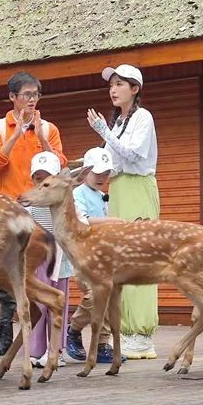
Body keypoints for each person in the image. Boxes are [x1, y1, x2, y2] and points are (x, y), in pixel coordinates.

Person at [0, 71, 66, 356]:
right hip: (8, 209)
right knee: (4, 271)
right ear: (12, 97)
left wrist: (41, 137)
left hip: (41, 209)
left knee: (38, 270)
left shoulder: (49, 128)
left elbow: (59, 165)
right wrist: (16, 134)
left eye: (36, 94)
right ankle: (4, 332)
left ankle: (39, 339)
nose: (32, 100)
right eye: (27, 94)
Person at [86, 64, 160, 360]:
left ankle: (142, 336)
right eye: (111, 85)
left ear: (135, 89)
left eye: (119, 84)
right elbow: (108, 161)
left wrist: (103, 130)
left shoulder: (143, 117)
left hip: (138, 188)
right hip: (118, 189)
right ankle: (125, 332)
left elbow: (132, 154)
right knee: (121, 262)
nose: (113, 90)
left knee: (141, 259)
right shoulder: (117, 122)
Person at [66, 147, 125, 363]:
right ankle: (73, 329)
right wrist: (115, 222)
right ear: (85, 172)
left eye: (106, 173)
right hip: (83, 255)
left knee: (108, 296)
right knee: (95, 294)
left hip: (104, 255)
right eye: (97, 173)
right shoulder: (76, 194)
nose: (102, 177)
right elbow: (82, 221)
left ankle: (102, 344)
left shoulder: (103, 197)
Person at [24, 151, 71, 368]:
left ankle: (56, 350)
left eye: (47, 179)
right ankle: (34, 350)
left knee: (58, 302)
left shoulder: (64, 203)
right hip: (37, 260)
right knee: (38, 302)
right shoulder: (28, 205)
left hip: (61, 258)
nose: (42, 183)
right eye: (38, 178)